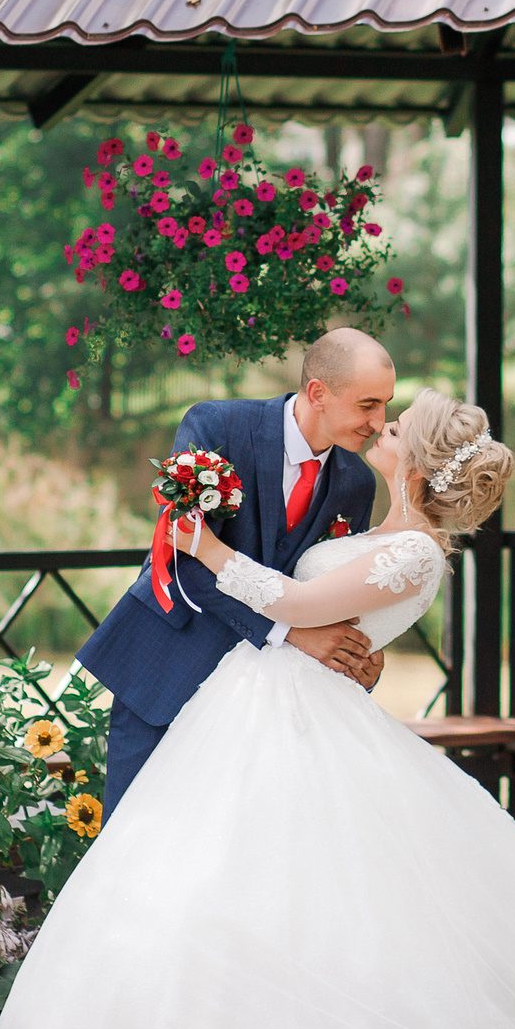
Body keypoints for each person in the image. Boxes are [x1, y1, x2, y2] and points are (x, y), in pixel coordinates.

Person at [0, 387, 515, 1029]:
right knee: (194, 881)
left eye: (396, 424)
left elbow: (300, 600)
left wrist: (203, 547)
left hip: (294, 715)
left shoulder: (413, 550)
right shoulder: (376, 523)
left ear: (415, 463)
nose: (381, 426)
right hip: (256, 698)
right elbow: (322, 613)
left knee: (273, 893)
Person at [74, 328, 395, 812]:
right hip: (170, 666)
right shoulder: (217, 426)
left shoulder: (356, 482)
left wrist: (359, 661)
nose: (379, 420)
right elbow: (182, 554)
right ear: (318, 393)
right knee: (132, 840)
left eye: (386, 405)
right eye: (368, 404)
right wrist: (289, 631)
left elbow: (334, 591)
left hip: (264, 708)